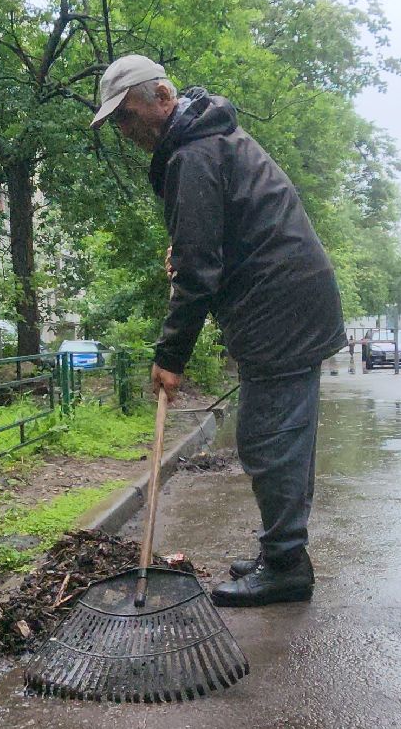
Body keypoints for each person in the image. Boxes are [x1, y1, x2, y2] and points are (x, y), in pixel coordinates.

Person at [90, 54, 346, 606]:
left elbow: (200, 271)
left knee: (271, 437)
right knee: (280, 435)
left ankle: (285, 566)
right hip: (288, 301)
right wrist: (187, 248)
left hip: (280, 308)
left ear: (161, 98)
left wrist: (171, 355)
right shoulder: (205, 141)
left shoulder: (194, 154)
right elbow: (212, 243)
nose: (124, 131)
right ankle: (283, 552)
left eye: (127, 117)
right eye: (116, 123)